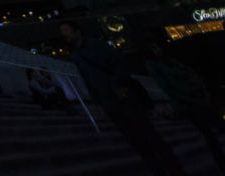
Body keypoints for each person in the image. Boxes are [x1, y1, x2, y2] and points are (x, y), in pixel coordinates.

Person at [60, 21, 187, 176]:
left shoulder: (96, 45)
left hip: (123, 96)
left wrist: (119, 84)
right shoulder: (77, 56)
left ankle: (175, 171)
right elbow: (88, 80)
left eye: (66, 30)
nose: (64, 34)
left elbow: (119, 62)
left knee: (150, 136)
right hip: (110, 102)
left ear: (77, 31)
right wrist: (98, 103)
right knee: (137, 142)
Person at [144, 36, 225, 172]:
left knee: (213, 130)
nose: (158, 50)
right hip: (190, 103)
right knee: (211, 132)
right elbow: (169, 87)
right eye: (154, 48)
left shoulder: (168, 62)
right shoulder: (158, 65)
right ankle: (221, 161)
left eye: (157, 47)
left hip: (195, 99)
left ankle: (221, 161)